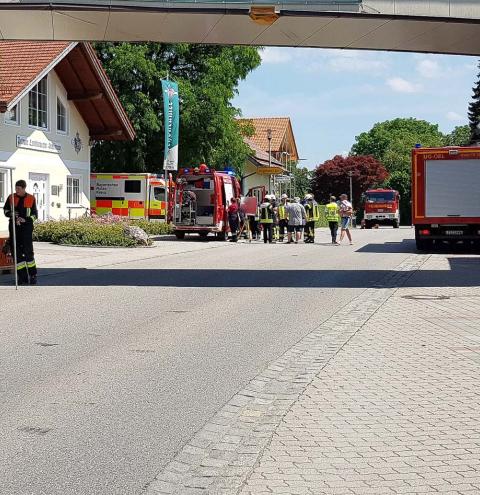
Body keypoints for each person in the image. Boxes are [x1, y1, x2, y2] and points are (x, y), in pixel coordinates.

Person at [3, 179, 38, 285]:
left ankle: (33, 275)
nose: (16, 190)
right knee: (16, 254)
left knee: (28, 253)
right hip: (14, 229)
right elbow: (5, 210)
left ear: (23, 188)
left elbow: (35, 215)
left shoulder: (31, 198)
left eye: (18, 188)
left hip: (26, 230)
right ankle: (22, 277)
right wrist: (11, 214)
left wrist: (25, 220)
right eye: (15, 188)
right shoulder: (11, 197)